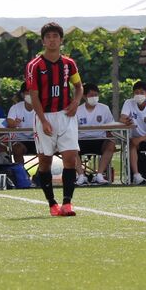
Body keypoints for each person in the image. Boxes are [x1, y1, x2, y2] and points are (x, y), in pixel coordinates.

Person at [25, 22, 84, 216]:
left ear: (61, 40)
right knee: (45, 163)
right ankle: (52, 203)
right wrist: (43, 120)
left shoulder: (69, 64)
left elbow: (79, 87)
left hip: (66, 116)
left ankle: (67, 203)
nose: (52, 39)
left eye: (55, 36)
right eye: (48, 36)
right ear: (43, 41)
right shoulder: (34, 66)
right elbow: (33, 95)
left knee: (70, 158)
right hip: (45, 117)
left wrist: (76, 102)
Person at [75, 82, 116, 185]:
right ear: (84, 96)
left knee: (111, 143)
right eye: (91, 95)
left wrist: (111, 136)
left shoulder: (104, 108)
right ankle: (81, 176)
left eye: (96, 95)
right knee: (70, 147)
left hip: (100, 140)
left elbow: (110, 127)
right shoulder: (77, 110)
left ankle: (99, 175)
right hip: (82, 141)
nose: (94, 97)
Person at [5, 87, 36, 164]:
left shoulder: (42, 107)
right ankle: (21, 172)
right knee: (17, 148)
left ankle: (40, 173)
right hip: (20, 140)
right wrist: (13, 123)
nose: (31, 94)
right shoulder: (15, 107)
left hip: (38, 139)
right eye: (28, 92)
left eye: (33, 91)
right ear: (22, 94)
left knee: (46, 149)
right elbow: (10, 122)